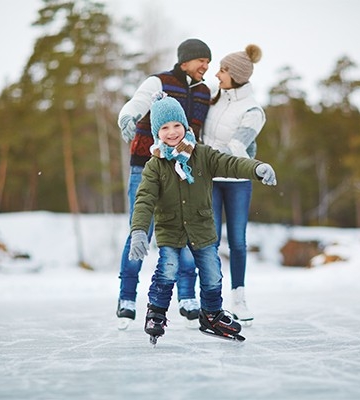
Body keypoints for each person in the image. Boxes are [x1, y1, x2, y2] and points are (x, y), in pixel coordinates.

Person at [128, 92, 277, 343]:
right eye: (164, 127)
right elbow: (144, 200)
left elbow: (231, 164)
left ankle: (211, 315)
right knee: (168, 270)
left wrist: (256, 168)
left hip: (202, 228)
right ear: (157, 133)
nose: (172, 132)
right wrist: (139, 230)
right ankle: (156, 312)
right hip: (171, 230)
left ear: (185, 126)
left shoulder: (203, 155)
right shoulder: (155, 165)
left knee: (212, 274)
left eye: (177, 125)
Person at [115, 38, 213, 329]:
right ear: (185, 62)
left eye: (208, 62)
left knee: (186, 229)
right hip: (145, 166)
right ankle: (126, 297)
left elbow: (226, 113)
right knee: (140, 229)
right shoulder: (159, 82)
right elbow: (138, 102)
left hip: (183, 170)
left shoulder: (206, 91)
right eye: (201, 61)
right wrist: (127, 117)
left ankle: (186, 297)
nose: (206, 66)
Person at [201, 44, 265, 326]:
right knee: (210, 241)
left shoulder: (253, 110)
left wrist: (206, 153)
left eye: (223, 70)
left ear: (236, 75)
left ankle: (238, 296)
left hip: (237, 181)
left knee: (237, 241)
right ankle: (209, 299)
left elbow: (238, 146)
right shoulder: (214, 100)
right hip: (210, 181)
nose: (217, 74)